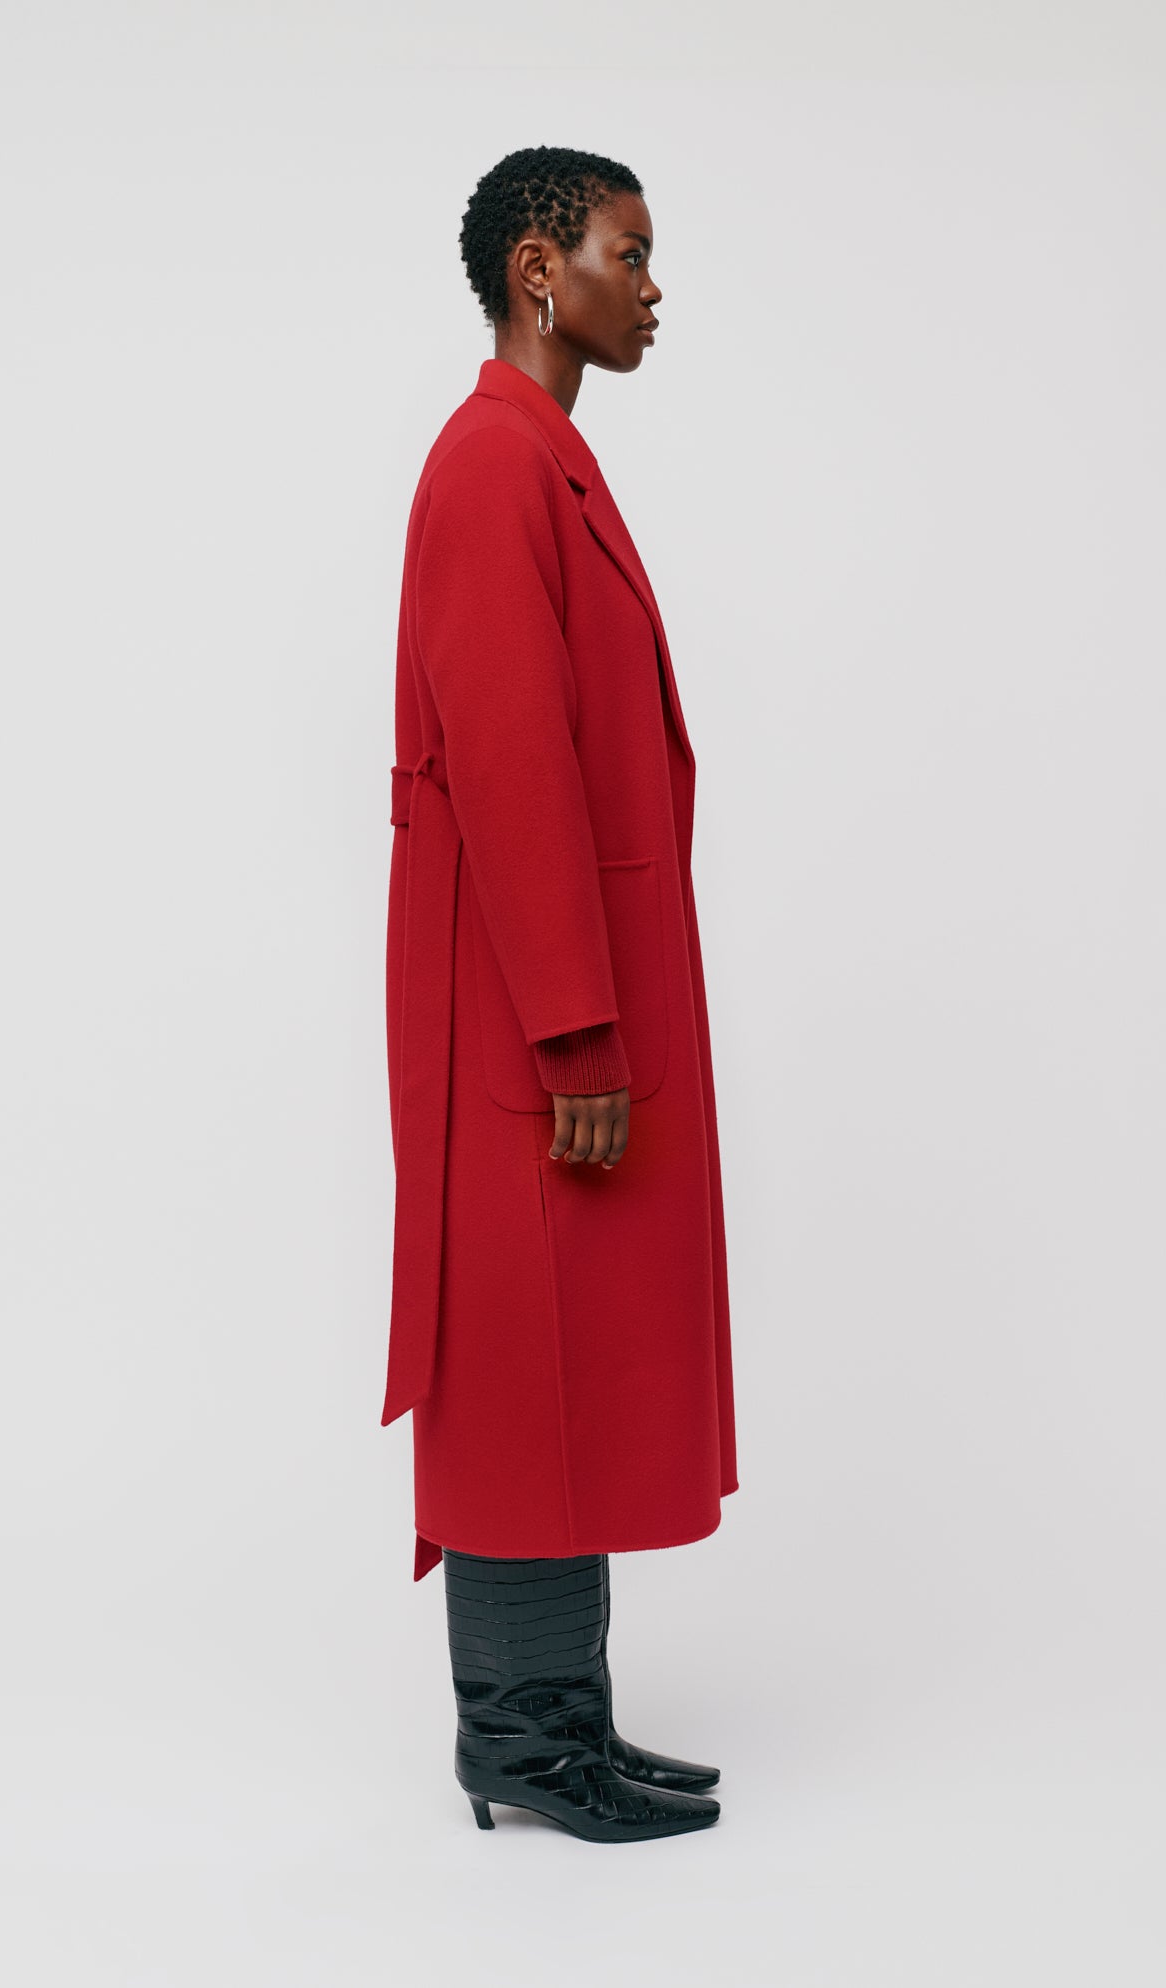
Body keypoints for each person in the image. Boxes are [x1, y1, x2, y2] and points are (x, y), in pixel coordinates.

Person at [383, 146, 738, 1842]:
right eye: (630, 253)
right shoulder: (490, 465)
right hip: (535, 1013)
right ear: (543, 268)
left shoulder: (542, 457)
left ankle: (565, 1721)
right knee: (528, 1360)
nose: (652, 286)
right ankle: (520, 1745)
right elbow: (514, 763)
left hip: (565, 995)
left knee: (574, 1350)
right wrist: (574, 1026)